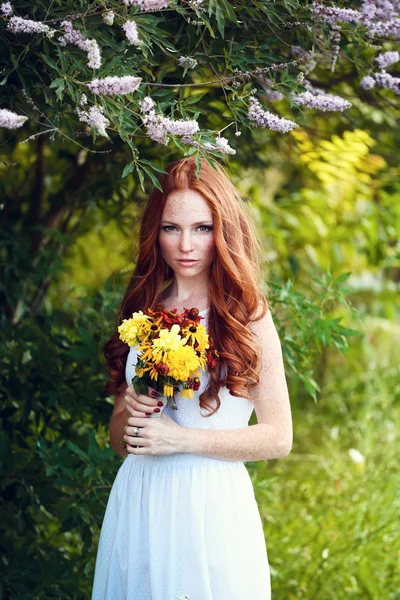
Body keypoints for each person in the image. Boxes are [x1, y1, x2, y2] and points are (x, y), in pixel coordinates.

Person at [91, 156, 293, 600]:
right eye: (171, 228)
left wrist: (181, 440)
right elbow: (119, 439)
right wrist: (131, 411)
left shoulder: (247, 316)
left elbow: (278, 437)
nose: (186, 244)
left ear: (223, 231)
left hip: (210, 506)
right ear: (155, 233)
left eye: (202, 228)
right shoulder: (143, 307)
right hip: (140, 500)